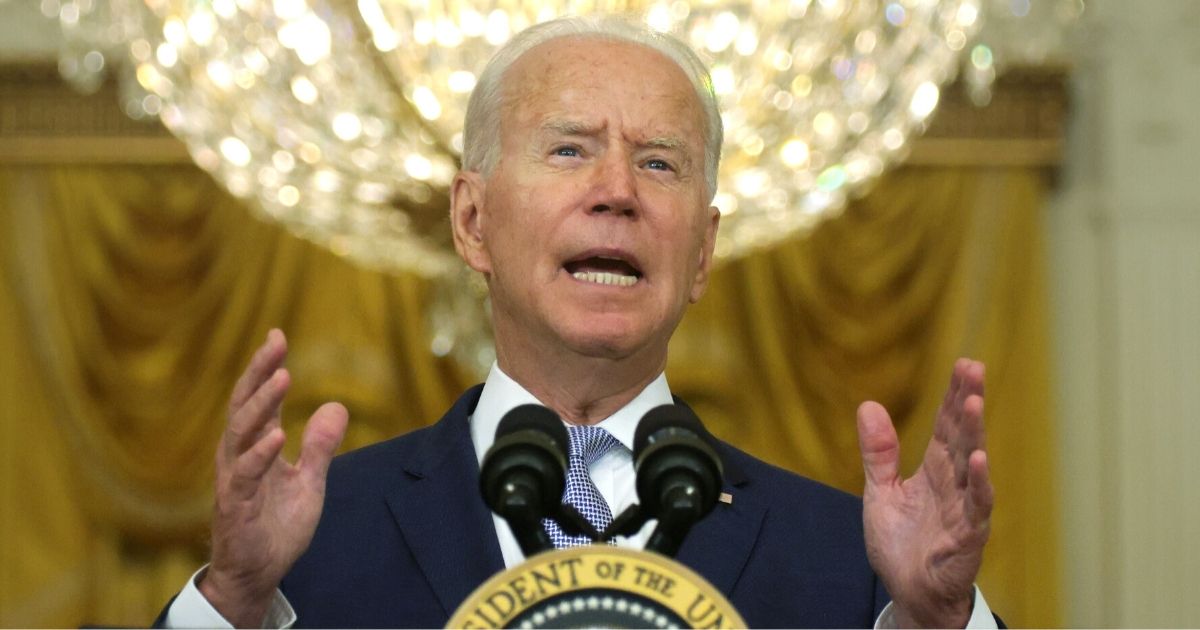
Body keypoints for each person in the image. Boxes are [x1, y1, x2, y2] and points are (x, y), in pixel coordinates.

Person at [160, 14, 995, 628]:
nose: (617, 190)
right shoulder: (306, 544)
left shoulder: (851, 562)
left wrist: (939, 622)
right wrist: (231, 601)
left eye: (658, 162)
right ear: (472, 222)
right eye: (569, 149)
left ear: (702, 252)